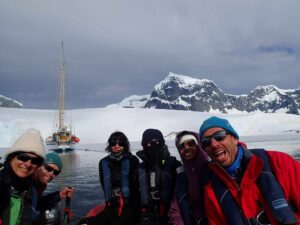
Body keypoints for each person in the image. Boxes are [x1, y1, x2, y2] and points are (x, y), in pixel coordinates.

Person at [199, 116, 300, 225]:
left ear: (234, 139)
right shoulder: (212, 192)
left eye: (220, 136)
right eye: (206, 142)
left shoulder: (279, 162)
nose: (214, 144)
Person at [78, 131, 140, 225]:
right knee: (84, 223)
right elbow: (104, 184)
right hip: (112, 205)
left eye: (121, 143)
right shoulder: (103, 163)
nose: (117, 146)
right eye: (113, 143)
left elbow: (137, 186)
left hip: (129, 206)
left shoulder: (132, 161)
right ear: (109, 145)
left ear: (125, 145)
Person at [136, 128, 182, 225]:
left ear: (161, 142)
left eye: (153, 142)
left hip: (170, 216)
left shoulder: (174, 165)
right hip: (146, 216)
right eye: (145, 143)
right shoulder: (140, 168)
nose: (148, 145)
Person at [0, 128, 45, 225]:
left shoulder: (31, 191)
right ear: (11, 157)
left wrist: (58, 195)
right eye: (23, 157)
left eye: (35, 161)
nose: (28, 164)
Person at [168, 131, 208, 225]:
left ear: (199, 145)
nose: (186, 148)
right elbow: (175, 206)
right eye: (182, 146)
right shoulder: (182, 175)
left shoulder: (212, 169)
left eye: (191, 143)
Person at [32, 152, 74, 224]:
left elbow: (35, 204)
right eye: (48, 168)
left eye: (56, 172)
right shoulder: (26, 185)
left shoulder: (39, 185)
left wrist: (60, 195)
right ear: (39, 166)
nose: (51, 174)